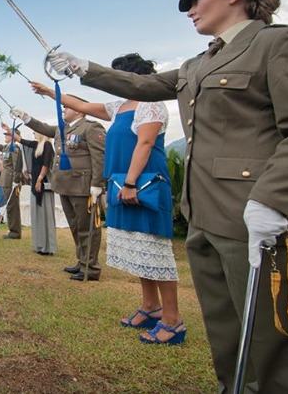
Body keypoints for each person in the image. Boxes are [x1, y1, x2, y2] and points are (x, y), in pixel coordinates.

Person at [47, 0, 288, 391]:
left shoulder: (279, 44)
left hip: (263, 223)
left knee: (276, 345)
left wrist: (272, 199)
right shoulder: (199, 63)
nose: (189, 10)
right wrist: (83, 68)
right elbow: (141, 87)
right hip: (207, 217)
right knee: (227, 333)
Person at [34, 54, 185, 344]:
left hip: (145, 184)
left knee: (156, 251)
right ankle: (150, 306)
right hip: (122, 185)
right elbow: (78, 105)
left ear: (132, 77)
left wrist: (130, 183)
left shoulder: (151, 104)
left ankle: (172, 319)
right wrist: (47, 91)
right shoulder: (120, 106)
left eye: (118, 76)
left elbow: (146, 142)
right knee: (140, 251)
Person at [11, 99, 105, 281]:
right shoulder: (63, 129)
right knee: (76, 227)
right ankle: (82, 261)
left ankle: (91, 267)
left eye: (67, 107)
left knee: (88, 228)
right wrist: (24, 116)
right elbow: (43, 127)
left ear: (79, 111)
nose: (64, 109)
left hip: (83, 187)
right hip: (65, 186)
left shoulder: (90, 127)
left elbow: (99, 157)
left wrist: (97, 184)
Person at [13, 127, 56, 256]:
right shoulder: (36, 145)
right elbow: (20, 140)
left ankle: (48, 246)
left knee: (45, 215)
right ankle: (39, 244)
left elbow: (46, 164)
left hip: (43, 184)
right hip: (35, 185)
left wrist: (39, 179)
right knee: (37, 215)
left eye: (35, 131)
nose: (34, 133)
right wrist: (9, 129)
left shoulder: (47, 145)